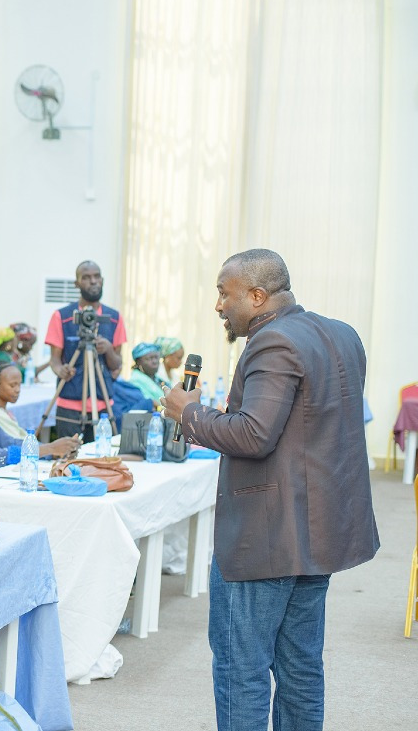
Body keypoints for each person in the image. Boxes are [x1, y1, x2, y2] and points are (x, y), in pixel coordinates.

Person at [161, 248, 378, 731]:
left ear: (257, 296)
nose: (218, 305)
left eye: (225, 293)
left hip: (265, 540)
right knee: (301, 666)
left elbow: (254, 435)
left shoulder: (271, 341)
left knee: (242, 669)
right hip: (319, 534)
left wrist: (189, 414)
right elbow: (307, 430)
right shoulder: (343, 335)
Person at [45, 261, 127, 442]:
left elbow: (117, 364)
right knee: (67, 455)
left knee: (103, 456)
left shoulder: (114, 318)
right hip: (69, 404)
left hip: (103, 404)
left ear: (102, 280)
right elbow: (54, 360)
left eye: (97, 276)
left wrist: (108, 350)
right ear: (77, 283)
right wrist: (61, 370)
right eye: (86, 277)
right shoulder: (61, 316)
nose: (93, 281)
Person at [0, 359, 81, 457]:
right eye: (12, 385)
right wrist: (51, 451)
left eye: (19, 384)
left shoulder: (4, 411)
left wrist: (54, 450)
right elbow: (15, 444)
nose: (17, 390)